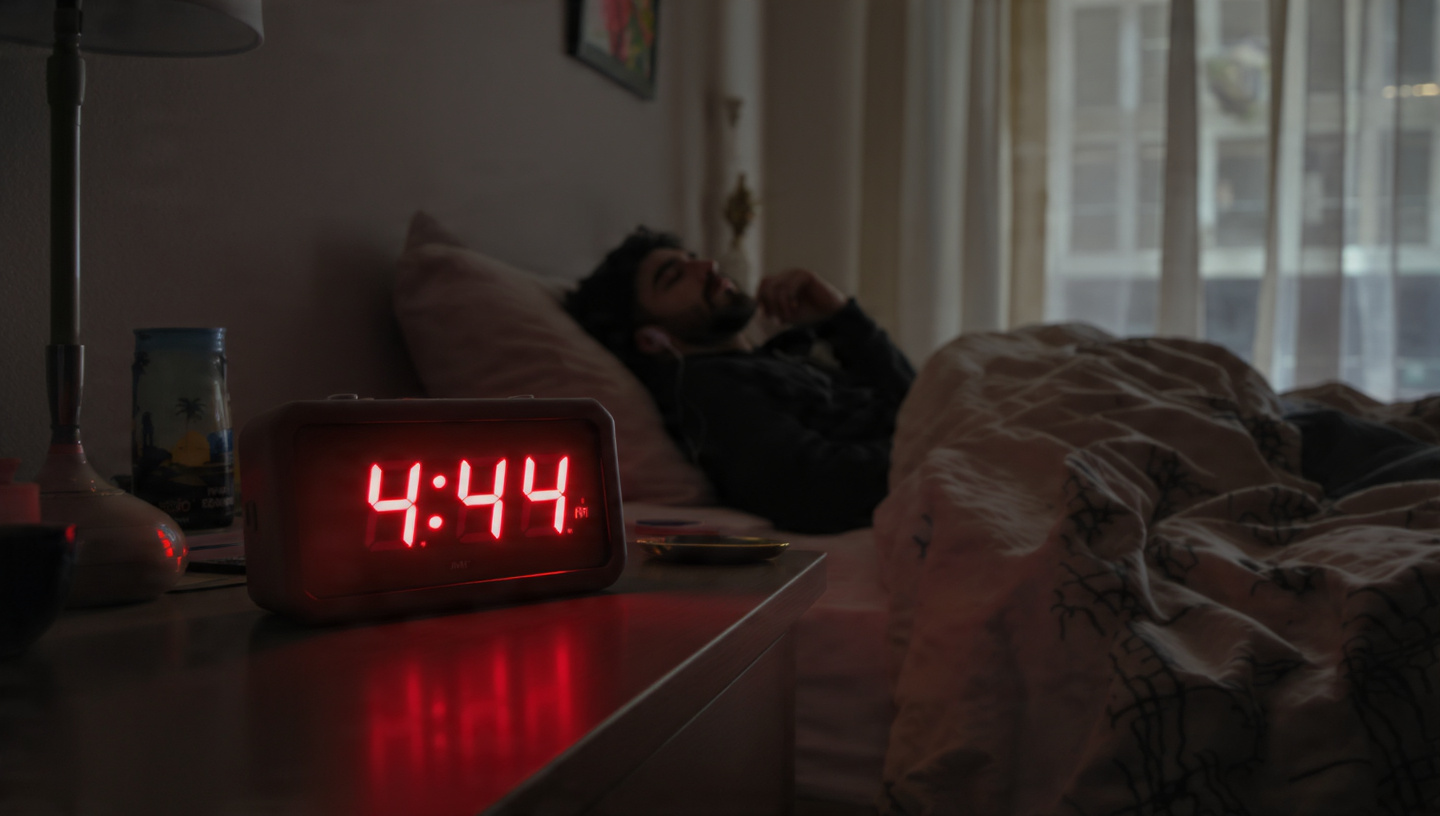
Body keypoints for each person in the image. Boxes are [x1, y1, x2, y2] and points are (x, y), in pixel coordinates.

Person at [566, 227, 915, 534]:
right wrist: (933, 448)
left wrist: (840, 316)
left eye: (694, 258)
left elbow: (918, 401)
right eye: (675, 277)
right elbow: (815, 485)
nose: (708, 266)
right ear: (650, 339)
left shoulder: (776, 356)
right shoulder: (708, 389)